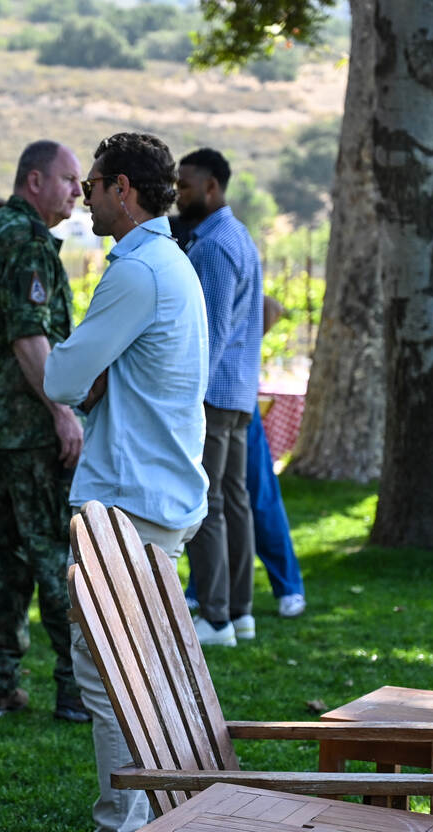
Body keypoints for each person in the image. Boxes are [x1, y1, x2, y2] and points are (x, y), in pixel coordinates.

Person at [44, 132, 209, 832]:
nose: (84, 198)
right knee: (145, 671)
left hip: (129, 505)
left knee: (110, 675)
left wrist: (91, 376)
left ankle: (127, 822)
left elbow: (60, 376)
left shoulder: (138, 270)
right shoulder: (169, 261)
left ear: (123, 189)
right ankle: (165, 811)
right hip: (154, 495)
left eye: (93, 185)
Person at [0, 140, 88, 722]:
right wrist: (61, 409)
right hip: (27, 428)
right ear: (33, 180)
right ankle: (76, 687)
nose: (78, 192)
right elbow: (29, 338)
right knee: (54, 553)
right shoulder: (27, 240)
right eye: (69, 180)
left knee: (2, 555)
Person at [176, 147, 265, 648]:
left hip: (213, 392)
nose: (177, 193)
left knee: (207, 503)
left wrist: (188, 396)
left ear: (211, 187)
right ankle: (240, 611)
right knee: (234, 499)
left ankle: (214, 617)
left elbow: (209, 332)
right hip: (239, 392)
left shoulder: (211, 245)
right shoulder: (240, 235)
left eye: (185, 185)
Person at [183, 295, 306, 619]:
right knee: (222, 500)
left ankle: (285, 588)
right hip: (230, 396)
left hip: (225, 398)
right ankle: (209, 592)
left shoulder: (219, 248)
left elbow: (272, 308)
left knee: (249, 496)